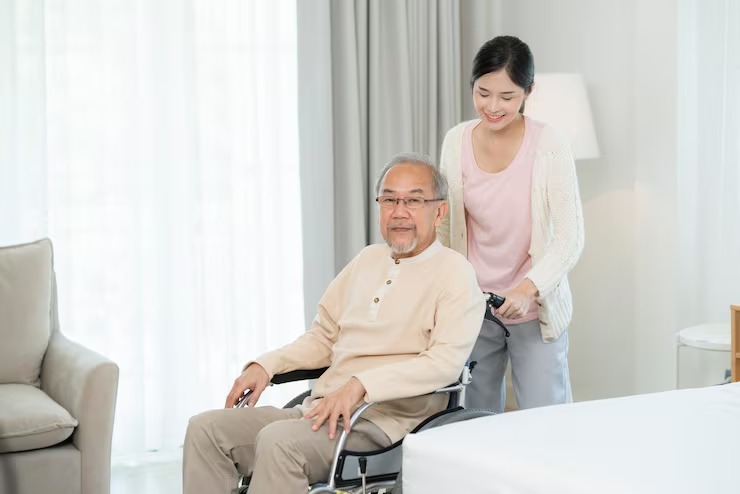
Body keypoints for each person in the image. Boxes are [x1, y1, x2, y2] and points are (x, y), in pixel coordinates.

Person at [182, 152, 485, 494]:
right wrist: (266, 365)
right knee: (206, 430)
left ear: (439, 211)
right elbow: (324, 338)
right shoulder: (367, 260)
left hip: (384, 423)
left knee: (279, 442)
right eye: (389, 199)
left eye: (413, 200)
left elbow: (443, 364)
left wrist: (361, 385)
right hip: (320, 411)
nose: (399, 212)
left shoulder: (455, 273)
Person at [437, 35, 584, 414]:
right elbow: (446, 229)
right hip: (475, 308)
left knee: (546, 422)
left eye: (507, 96)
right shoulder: (456, 141)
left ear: (528, 92)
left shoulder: (549, 144)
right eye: (483, 93)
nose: (492, 106)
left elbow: (569, 239)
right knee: (474, 422)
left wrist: (526, 290)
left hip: (533, 308)